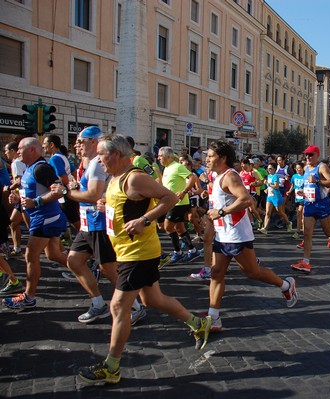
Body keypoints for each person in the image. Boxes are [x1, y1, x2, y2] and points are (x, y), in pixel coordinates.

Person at [77, 134, 212, 385]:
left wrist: (145, 220)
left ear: (116, 154)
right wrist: (106, 204)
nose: (98, 159)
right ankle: (198, 323)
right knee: (152, 299)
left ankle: (111, 367)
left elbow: (169, 198)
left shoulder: (136, 177)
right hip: (126, 250)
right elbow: (126, 205)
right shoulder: (115, 178)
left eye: (102, 155)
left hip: (138, 252)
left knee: (118, 307)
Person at [203, 141, 298, 331]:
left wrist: (221, 212)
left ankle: (286, 285)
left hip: (238, 235)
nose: (206, 159)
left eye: (211, 156)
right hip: (223, 235)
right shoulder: (216, 175)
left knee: (252, 272)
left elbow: (246, 199)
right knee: (216, 273)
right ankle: (213, 317)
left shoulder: (230, 177)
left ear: (222, 159)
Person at [55, 126, 146, 324]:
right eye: (77, 140)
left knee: (109, 269)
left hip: (99, 223)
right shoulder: (87, 163)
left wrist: (65, 193)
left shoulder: (97, 163)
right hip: (88, 223)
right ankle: (98, 304)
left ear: (94, 142)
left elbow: (93, 195)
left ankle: (135, 306)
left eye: (82, 140)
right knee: (74, 261)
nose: (77, 143)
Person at [2, 138, 68, 310]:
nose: (17, 152)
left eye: (20, 148)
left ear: (32, 150)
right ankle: (88, 270)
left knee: (30, 256)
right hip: (43, 217)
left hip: (45, 218)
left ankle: (29, 297)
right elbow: (30, 192)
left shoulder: (41, 168)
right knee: (54, 254)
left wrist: (36, 202)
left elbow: (58, 190)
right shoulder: (30, 168)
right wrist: (18, 199)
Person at [291, 145, 330, 273]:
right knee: (307, 233)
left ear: (317, 155)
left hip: (322, 204)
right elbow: (309, 184)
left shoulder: (321, 167)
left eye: (310, 154)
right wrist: (303, 192)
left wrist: (317, 180)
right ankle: (306, 262)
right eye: (306, 154)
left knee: (328, 232)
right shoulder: (306, 168)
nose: (307, 157)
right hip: (309, 203)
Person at [158, 146, 203, 263]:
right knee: (179, 228)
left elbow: (193, 177)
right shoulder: (166, 168)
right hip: (170, 202)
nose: (158, 158)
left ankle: (178, 252)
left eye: (160, 156)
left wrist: (184, 191)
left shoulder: (177, 167)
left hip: (179, 203)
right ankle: (193, 251)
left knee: (168, 226)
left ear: (168, 157)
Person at [4, 142, 27, 256]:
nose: (5, 153)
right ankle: (17, 249)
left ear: (12, 151)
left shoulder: (16, 163)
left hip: (24, 198)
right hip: (21, 197)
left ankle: (57, 249)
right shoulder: (18, 162)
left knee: (33, 227)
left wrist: (9, 188)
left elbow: (20, 181)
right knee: (13, 223)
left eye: (7, 151)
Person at [258, 162, 294, 235]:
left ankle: (288, 223)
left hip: (276, 196)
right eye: (268, 169)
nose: (269, 170)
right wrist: (267, 189)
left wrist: (268, 184)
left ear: (274, 169)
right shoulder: (268, 176)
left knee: (280, 212)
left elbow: (276, 186)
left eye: (270, 168)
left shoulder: (275, 176)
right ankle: (265, 228)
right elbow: (270, 187)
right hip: (269, 197)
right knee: (268, 212)